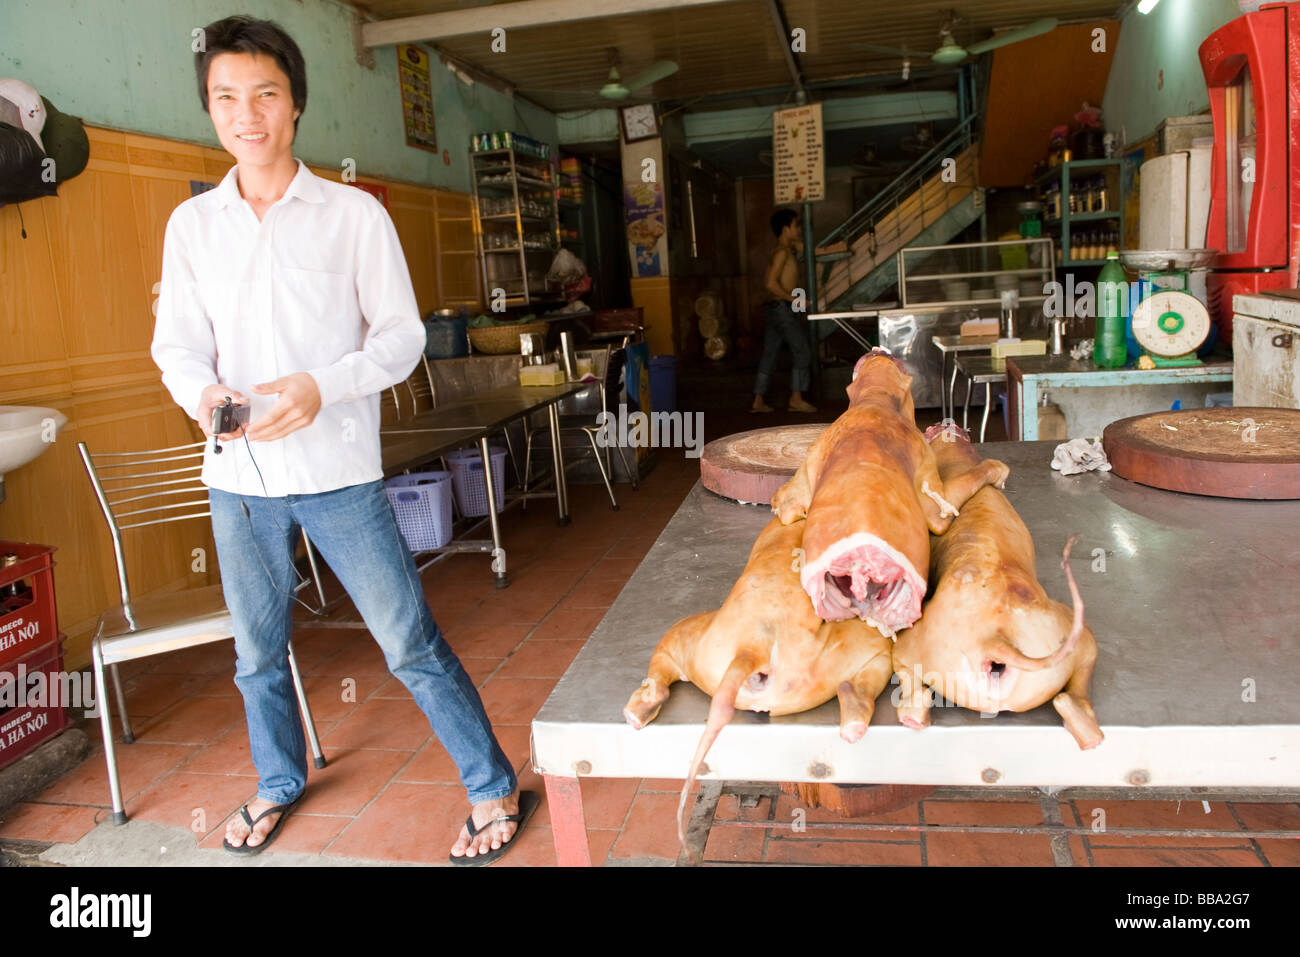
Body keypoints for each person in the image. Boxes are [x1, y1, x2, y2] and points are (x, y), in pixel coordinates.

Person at [150, 15, 535, 864]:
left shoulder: (353, 214)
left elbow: (400, 339)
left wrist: (322, 386)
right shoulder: (193, 227)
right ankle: (278, 780)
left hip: (337, 473)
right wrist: (204, 389)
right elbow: (173, 344)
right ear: (210, 110)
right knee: (257, 652)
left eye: (264, 94)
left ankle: (489, 783)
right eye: (225, 98)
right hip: (239, 476)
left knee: (406, 640)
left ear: (294, 105)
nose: (245, 114)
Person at [752, 208, 816, 413]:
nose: (799, 229)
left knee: (770, 355)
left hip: (776, 309)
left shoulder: (783, 250)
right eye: (796, 225)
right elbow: (770, 284)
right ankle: (796, 398)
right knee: (802, 351)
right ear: (786, 228)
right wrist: (796, 299)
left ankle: (758, 401)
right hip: (781, 309)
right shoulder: (782, 253)